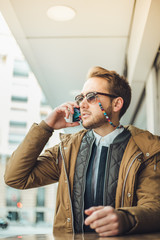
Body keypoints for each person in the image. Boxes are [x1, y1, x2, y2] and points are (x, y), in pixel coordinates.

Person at [4, 66, 160, 236]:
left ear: (116, 104)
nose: (82, 104)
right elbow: (15, 178)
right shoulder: (68, 149)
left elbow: (154, 208)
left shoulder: (147, 150)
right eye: (80, 98)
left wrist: (126, 219)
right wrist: (46, 127)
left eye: (92, 97)